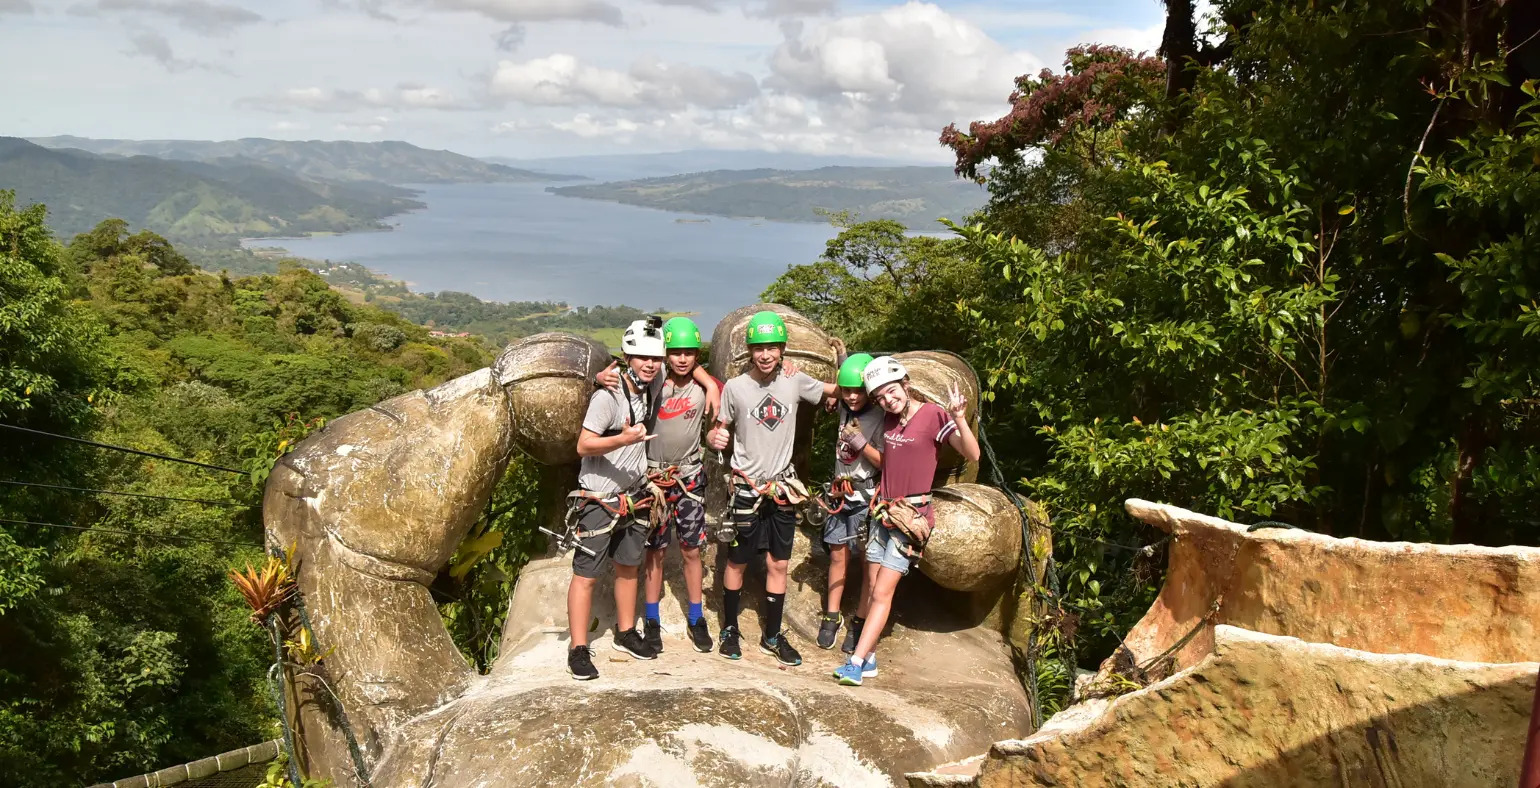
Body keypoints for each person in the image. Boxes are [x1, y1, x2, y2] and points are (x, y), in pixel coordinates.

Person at [833, 356, 980, 686]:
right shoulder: (888, 420)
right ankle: (868, 658)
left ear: (906, 384)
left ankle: (856, 662)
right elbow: (888, 463)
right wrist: (859, 446)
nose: (888, 399)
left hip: (910, 518)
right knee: (871, 585)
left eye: (891, 391)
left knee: (883, 591)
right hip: (882, 512)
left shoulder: (933, 416)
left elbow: (972, 454)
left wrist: (959, 418)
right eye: (881, 396)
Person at [705, 310, 838, 666]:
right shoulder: (735, 388)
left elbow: (838, 391)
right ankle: (730, 628)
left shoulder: (795, 382)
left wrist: (844, 364)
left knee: (779, 563)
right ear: (749, 351)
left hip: (781, 488)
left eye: (772, 348)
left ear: (783, 351)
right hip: (747, 487)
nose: (765, 355)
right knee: (737, 561)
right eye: (759, 348)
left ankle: (773, 635)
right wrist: (714, 436)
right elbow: (721, 427)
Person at [565, 319, 666, 681]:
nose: (650, 364)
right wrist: (621, 440)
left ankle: (625, 632)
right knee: (586, 574)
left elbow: (689, 365)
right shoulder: (607, 397)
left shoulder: (650, 384)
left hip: (635, 494)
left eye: (655, 358)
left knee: (628, 565)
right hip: (599, 498)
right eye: (641, 358)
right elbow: (583, 445)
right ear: (627, 357)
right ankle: (578, 648)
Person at [815, 353, 885, 651]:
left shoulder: (881, 415)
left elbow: (885, 462)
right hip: (839, 494)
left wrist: (861, 444)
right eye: (847, 391)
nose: (853, 396)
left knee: (869, 562)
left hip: (866, 496)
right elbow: (829, 387)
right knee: (837, 555)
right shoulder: (844, 404)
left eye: (858, 391)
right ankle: (832, 615)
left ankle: (859, 619)